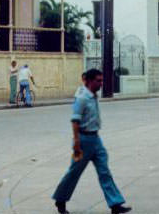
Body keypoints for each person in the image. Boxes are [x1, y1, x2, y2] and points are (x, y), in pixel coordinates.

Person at [52, 69, 131, 214]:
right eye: (98, 81)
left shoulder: (94, 96)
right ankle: (60, 200)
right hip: (83, 140)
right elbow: (75, 121)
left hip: (96, 139)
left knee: (104, 171)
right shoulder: (82, 98)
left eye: (101, 80)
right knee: (74, 173)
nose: (101, 83)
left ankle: (115, 204)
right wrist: (76, 142)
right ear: (89, 81)